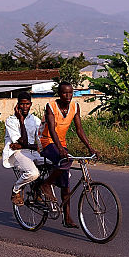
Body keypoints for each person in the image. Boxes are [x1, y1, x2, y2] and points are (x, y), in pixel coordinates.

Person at [39, 82, 96, 227]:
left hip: (60, 143)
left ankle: (67, 218)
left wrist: (90, 148)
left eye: (70, 93)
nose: (68, 96)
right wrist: (60, 149)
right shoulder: (51, 106)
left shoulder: (75, 107)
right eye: (65, 93)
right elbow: (51, 129)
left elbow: (79, 130)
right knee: (65, 160)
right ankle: (46, 184)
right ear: (59, 93)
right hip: (46, 141)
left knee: (66, 183)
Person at [2, 92, 42, 206]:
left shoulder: (35, 120)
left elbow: (38, 143)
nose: (25, 107)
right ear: (17, 105)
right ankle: (16, 190)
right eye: (22, 104)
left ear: (31, 104)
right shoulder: (11, 120)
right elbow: (23, 141)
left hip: (32, 152)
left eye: (27, 104)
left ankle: (38, 189)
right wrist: (21, 121)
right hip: (17, 153)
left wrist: (29, 146)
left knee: (56, 166)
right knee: (33, 173)